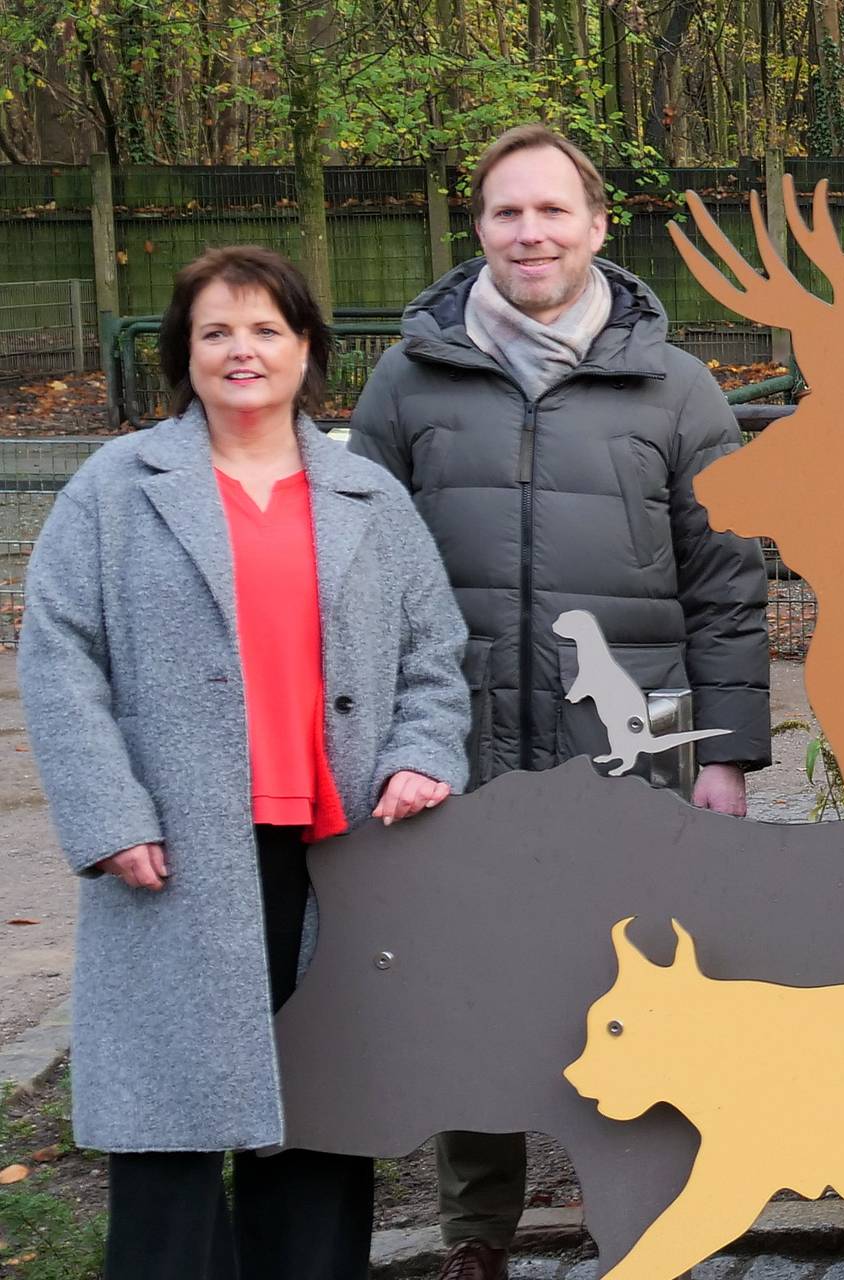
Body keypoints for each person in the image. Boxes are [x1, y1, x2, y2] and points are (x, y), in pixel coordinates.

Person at [348, 122, 772, 1280]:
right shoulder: (408, 380)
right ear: (478, 227)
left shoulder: (678, 391)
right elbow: (360, 573)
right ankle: (475, 1237)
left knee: (634, 986)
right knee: (468, 987)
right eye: (505, 212)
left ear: (595, 225)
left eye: (550, 211)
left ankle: (640, 1226)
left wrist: (727, 754)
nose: (528, 232)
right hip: (454, 746)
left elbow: (728, 590)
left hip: (622, 764)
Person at [21, 246, 469, 1280]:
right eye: (216, 329)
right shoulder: (116, 488)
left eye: (267, 329)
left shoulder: (367, 494)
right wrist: (107, 814)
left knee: (321, 1109)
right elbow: (57, 654)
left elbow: (434, 654)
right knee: (171, 1126)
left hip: (342, 849)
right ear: (183, 349)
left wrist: (418, 750)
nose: (242, 350)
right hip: (173, 854)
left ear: (307, 349)